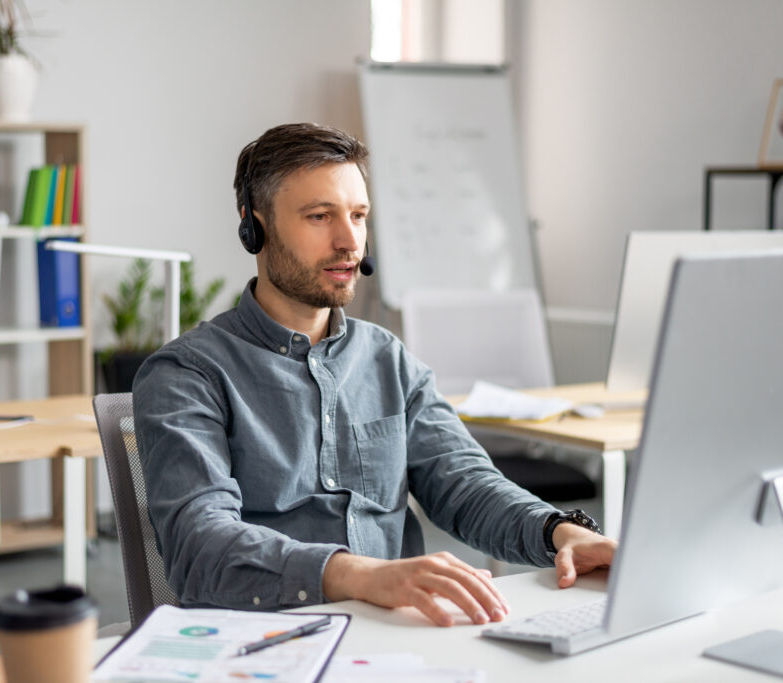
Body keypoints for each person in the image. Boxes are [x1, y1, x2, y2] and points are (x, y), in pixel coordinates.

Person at [133, 122, 616, 627]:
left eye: (358, 216)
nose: (349, 241)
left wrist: (561, 531)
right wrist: (358, 576)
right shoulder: (187, 373)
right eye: (320, 216)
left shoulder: (386, 357)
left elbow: (464, 484)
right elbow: (199, 543)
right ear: (254, 227)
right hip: (263, 642)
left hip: (391, 633)